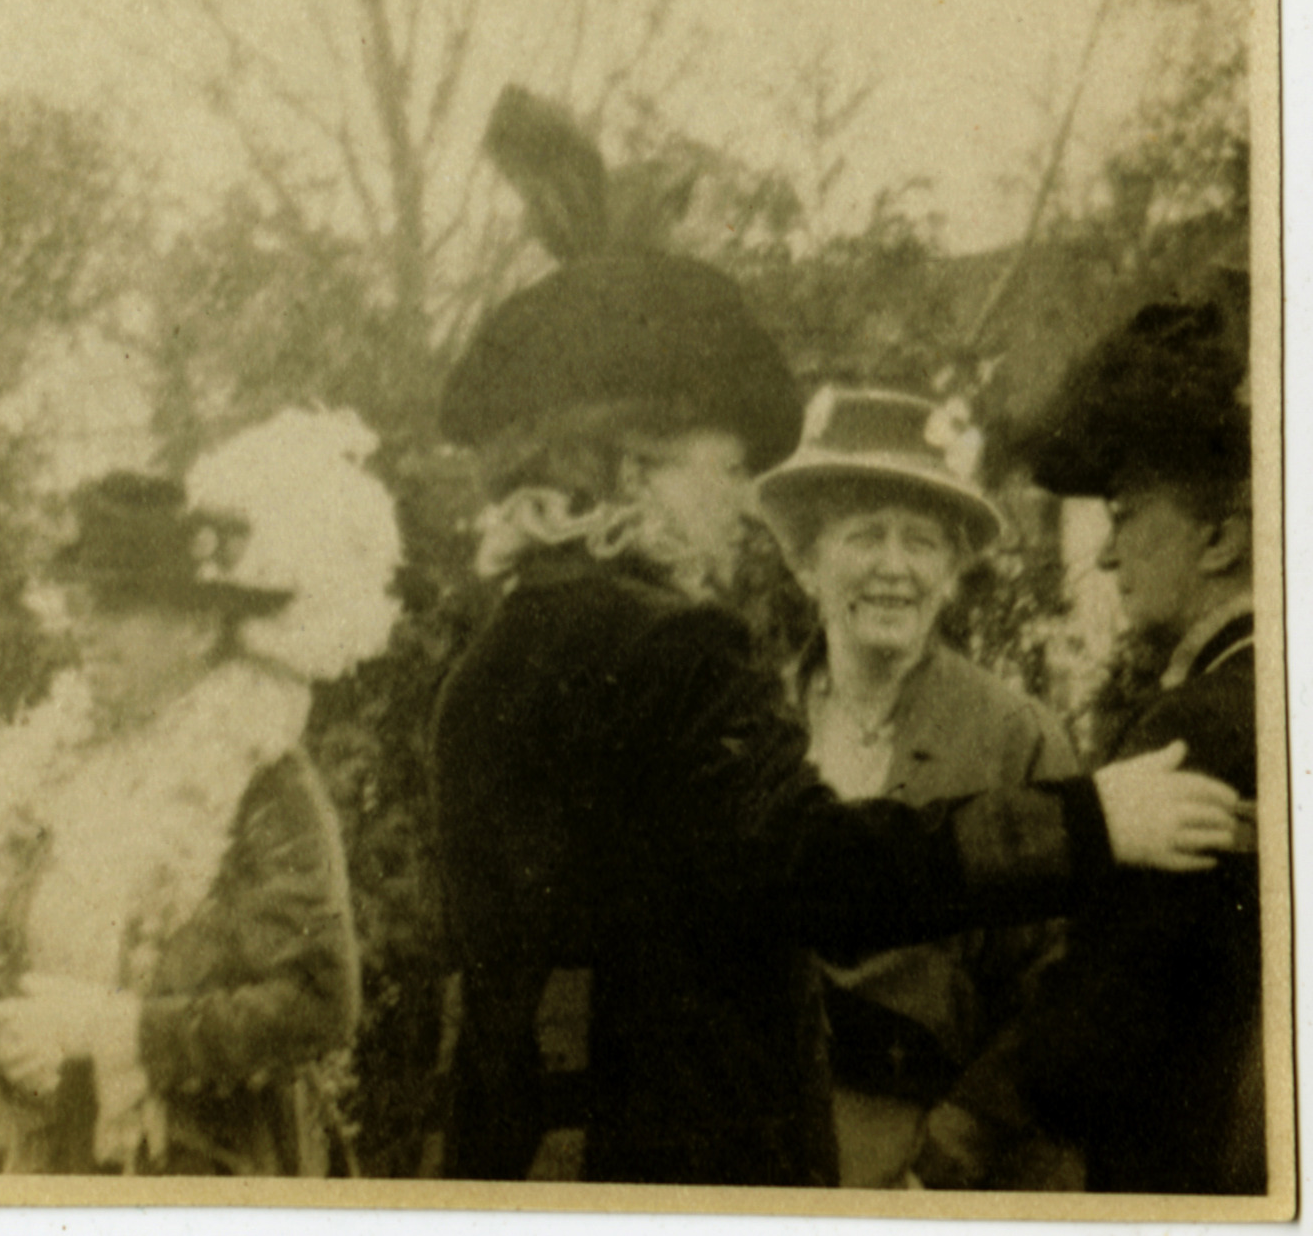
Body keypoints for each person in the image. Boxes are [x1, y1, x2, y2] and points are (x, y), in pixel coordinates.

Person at [428, 248, 1242, 1187]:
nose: (743, 502)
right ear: (629, 469)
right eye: (729, 467)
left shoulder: (481, 674)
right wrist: (1096, 820)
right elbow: (827, 876)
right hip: (689, 1175)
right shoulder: (676, 648)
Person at [0, 408, 401, 1176]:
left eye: (117, 607)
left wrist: (120, 1033)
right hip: (57, 1161)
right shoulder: (52, 768)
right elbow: (0, 948)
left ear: (197, 628)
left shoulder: (262, 779)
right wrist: (11, 1040)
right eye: (82, 606)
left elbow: (322, 1001)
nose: (86, 629)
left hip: (206, 1170)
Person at [911, 299, 1264, 1194]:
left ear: (1221, 538)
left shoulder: (1199, 723)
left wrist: (970, 1129)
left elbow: (1104, 1011)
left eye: (1127, 516)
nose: (1107, 558)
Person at [756, 386, 1080, 1189]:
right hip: (762, 1153)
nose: (895, 567)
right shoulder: (752, 726)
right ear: (805, 561)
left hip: (943, 1164)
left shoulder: (1017, 738)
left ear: (953, 570)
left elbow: (1060, 984)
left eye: (925, 542)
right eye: (864, 536)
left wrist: (948, 1155)